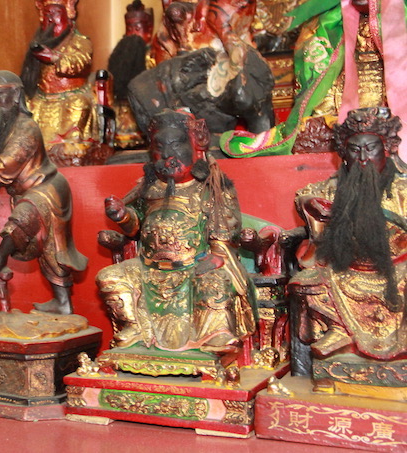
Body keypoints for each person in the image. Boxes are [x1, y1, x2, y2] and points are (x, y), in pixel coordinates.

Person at [96, 109, 257, 353]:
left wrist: (217, 255)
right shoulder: (148, 188)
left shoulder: (211, 186)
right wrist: (122, 216)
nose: (167, 156)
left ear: (195, 147)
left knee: (215, 282)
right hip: (148, 268)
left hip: (193, 265)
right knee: (109, 277)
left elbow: (227, 227)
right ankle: (135, 328)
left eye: (176, 145)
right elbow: (135, 226)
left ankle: (215, 334)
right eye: (159, 148)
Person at [0, 70, 88, 315]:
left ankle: (0, 257)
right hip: (24, 192)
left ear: (16, 95)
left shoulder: (27, 129)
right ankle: (62, 303)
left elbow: (5, 166)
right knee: (45, 248)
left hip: (47, 188)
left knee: (36, 230)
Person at [289, 107, 407, 362]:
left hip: (397, 270)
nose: (363, 157)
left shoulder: (402, 190)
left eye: (371, 148)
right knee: (307, 282)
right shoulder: (331, 190)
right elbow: (306, 197)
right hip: (345, 271)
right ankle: (339, 331)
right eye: (355, 150)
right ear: (344, 154)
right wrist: (311, 205)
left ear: (386, 149)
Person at [221, 0, 407, 159]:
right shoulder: (327, 26)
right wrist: (325, 117)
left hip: (393, 106)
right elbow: (321, 87)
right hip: (343, 106)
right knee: (310, 131)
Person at [20, 0, 99, 166]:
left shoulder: (80, 41)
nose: (50, 19)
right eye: (47, 14)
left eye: (55, 13)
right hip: (43, 98)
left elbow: (81, 61)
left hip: (72, 96)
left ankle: (71, 144)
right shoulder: (40, 42)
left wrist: (54, 58)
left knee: (80, 105)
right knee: (27, 108)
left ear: (68, 14)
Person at [107, 0, 155, 150]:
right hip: (119, 113)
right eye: (130, 28)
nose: (133, 33)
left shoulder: (151, 55)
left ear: (149, 29)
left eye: (138, 28)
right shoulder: (121, 53)